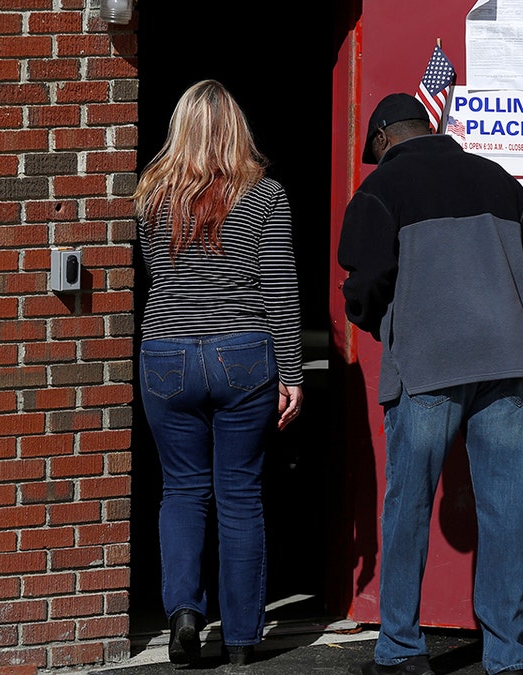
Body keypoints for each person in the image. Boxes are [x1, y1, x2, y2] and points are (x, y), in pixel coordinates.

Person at [337, 93, 523, 675]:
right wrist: (498, 308)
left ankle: (402, 651)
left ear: (383, 138)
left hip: (429, 365)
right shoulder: (496, 178)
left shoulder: (382, 189)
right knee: (507, 508)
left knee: (407, 505)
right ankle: (509, 656)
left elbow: (363, 281)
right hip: (508, 361)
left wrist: (389, 319)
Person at [132, 79, 304, 667]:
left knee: (181, 490)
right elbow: (278, 287)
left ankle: (183, 612)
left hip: (167, 351)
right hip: (243, 353)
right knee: (239, 494)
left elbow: (159, 275)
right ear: (237, 129)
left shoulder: (152, 195)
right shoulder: (265, 195)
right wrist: (293, 371)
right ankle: (242, 639)